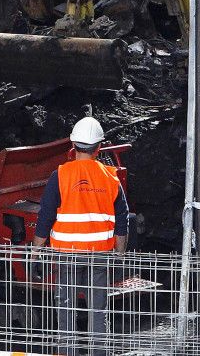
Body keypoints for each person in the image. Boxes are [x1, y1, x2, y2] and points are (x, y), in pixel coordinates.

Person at [33, 116, 129, 356]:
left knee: (66, 308)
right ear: (99, 148)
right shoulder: (111, 176)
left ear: (73, 146)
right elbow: (123, 218)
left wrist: (35, 251)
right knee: (98, 310)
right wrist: (119, 255)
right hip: (100, 253)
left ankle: (67, 352)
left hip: (69, 253)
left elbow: (45, 215)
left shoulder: (61, 175)